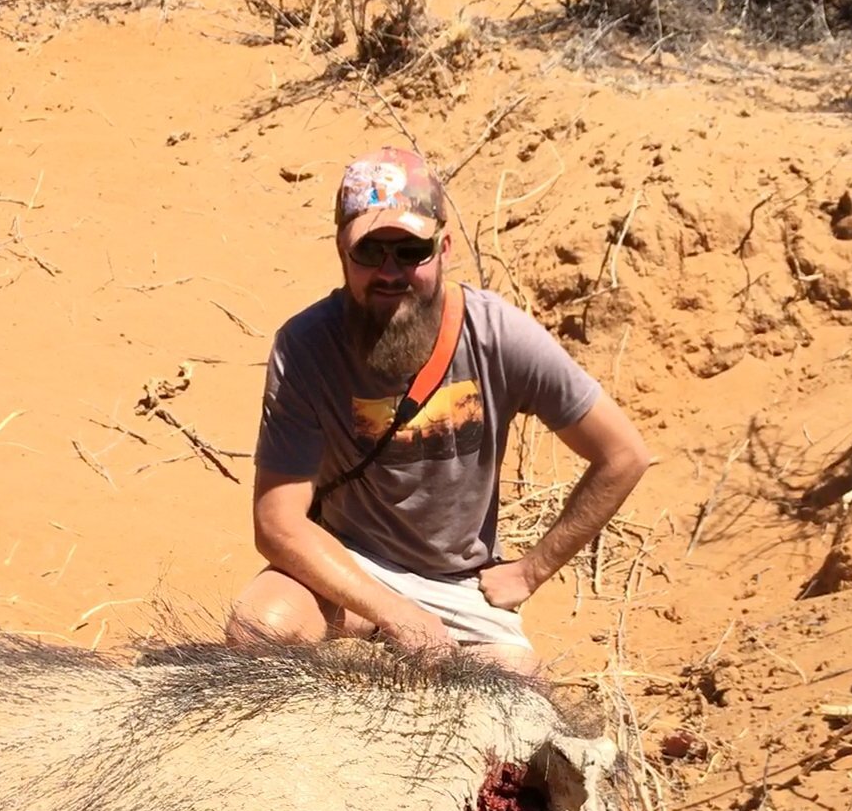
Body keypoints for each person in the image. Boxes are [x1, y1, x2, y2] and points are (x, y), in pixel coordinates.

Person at [226, 146, 651, 674]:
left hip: (458, 584)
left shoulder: (500, 336)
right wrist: (399, 615)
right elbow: (278, 523)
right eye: (370, 252)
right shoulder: (305, 346)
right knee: (260, 627)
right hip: (349, 561)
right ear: (341, 249)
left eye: (410, 252)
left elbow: (624, 455)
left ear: (444, 248)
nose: (390, 272)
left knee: (517, 694)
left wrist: (530, 571)